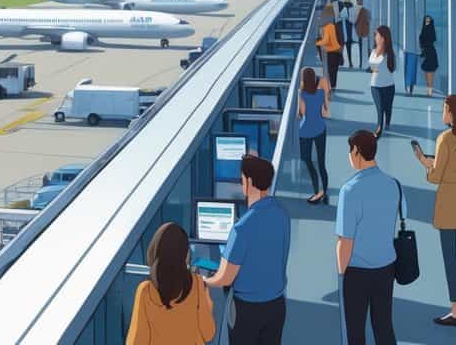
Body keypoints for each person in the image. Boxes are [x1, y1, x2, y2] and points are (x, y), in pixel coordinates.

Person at [203, 155, 290, 345]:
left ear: (250, 182)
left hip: (247, 311)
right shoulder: (282, 214)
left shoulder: (242, 228)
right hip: (277, 305)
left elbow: (225, 278)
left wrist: (203, 281)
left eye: (242, 179)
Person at [413, 95, 456, 327]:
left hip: (449, 203)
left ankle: (454, 311)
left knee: (450, 257)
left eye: (445, 109)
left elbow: (437, 176)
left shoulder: (444, 139)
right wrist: (443, 166)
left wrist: (425, 164)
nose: (443, 113)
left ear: (452, 114)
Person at [336, 130, 401, 345]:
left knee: (355, 331)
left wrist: (341, 274)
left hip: (357, 272)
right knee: (384, 326)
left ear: (356, 152)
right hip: (386, 267)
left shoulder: (350, 190)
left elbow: (346, 241)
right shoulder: (394, 185)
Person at [126, 222, 216, 345]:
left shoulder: (145, 290)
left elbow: (136, 341)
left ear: (155, 252)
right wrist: (209, 305)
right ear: (185, 254)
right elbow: (208, 334)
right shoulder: (197, 283)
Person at [297, 67, 330, 205]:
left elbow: (301, 113)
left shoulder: (302, 93)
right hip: (320, 129)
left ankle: (317, 191)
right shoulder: (321, 93)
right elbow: (325, 111)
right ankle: (325, 193)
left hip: (305, 130)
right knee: (322, 163)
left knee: (307, 159)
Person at [368, 25, 397, 137]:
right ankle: (379, 127)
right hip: (375, 85)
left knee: (388, 108)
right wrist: (375, 69)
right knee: (380, 108)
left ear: (383, 37)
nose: (375, 37)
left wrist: (376, 68)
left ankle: (387, 123)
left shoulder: (389, 53)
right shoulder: (374, 51)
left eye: (377, 35)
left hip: (389, 85)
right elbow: (372, 66)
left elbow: (393, 68)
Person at [315, 6, 344, 96]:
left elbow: (323, 39)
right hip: (331, 51)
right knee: (332, 69)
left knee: (330, 69)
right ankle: (331, 86)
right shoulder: (333, 25)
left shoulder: (329, 26)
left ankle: (331, 86)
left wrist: (318, 44)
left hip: (331, 51)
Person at [418, 16, 439, 97]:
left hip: (430, 52)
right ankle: (429, 89)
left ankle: (429, 90)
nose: (427, 22)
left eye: (428, 21)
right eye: (426, 21)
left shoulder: (430, 31)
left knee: (430, 71)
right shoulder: (423, 30)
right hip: (426, 52)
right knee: (427, 72)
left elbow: (429, 41)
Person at [353, 0, 371, 69]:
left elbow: (355, 21)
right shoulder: (366, 11)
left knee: (361, 49)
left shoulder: (358, 10)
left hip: (361, 33)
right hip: (365, 32)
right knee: (366, 49)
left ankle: (362, 63)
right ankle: (365, 63)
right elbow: (369, 20)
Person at [344, 0, 361, 69]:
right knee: (349, 48)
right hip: (349, 36)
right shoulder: (346, 17)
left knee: (349, 48)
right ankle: (350, 62)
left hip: (349, 36)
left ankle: (351, 62)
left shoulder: (347, 17)